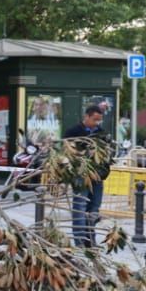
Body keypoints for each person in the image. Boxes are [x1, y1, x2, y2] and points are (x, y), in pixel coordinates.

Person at [62, 103, 113, 248]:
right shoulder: (73, 132)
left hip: (97, 176)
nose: (97, 123)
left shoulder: (102, 133)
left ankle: (90, 241)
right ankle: (80, 242)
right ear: (87, 116)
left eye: (99, 120)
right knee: (80, 208)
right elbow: (67, 153)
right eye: (95, 119)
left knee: (94, 209)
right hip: (80, 176)